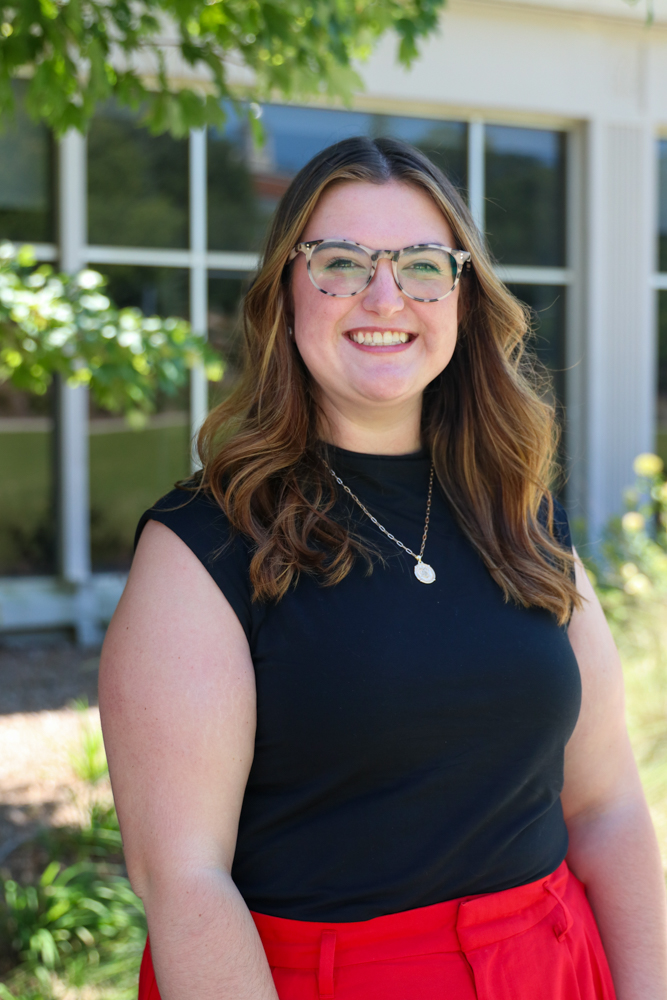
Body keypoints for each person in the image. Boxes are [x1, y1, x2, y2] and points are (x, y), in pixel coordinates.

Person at [99, 136, 667, 1000]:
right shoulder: (203, 546)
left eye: (422, 266)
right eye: (339, 262)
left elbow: (608, 807)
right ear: (284, 294)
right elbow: (184, 881)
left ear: (464, 298)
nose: (383, 295)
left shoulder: (519, 518)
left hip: (554, 969)